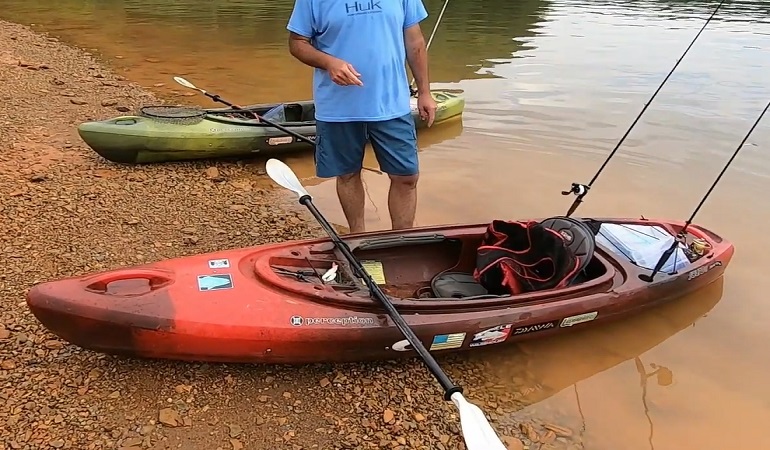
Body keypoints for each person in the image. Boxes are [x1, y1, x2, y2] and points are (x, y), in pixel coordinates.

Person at [286, 0, 436, 233]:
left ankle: (403, 239)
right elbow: (297, 43)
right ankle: (358, 236)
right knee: (347, 174)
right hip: (338, 107)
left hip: (392, 103)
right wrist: (329, 63)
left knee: (407, 177)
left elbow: (414, 41)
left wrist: (425, 92)